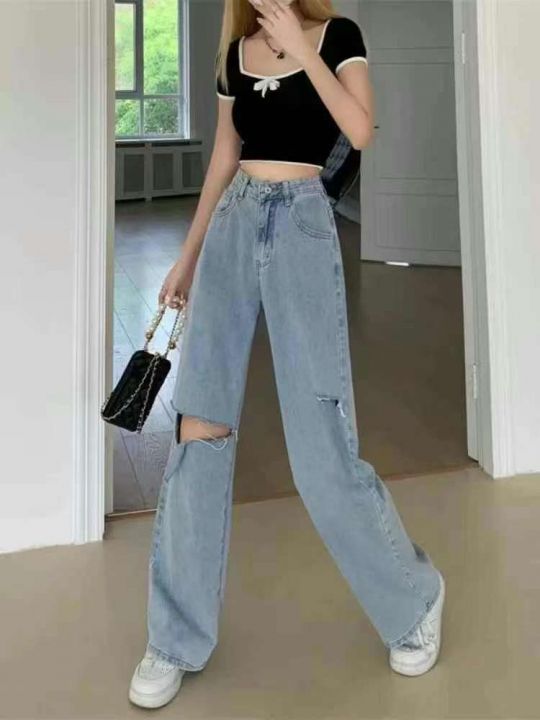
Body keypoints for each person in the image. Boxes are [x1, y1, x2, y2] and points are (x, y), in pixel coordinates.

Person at [128, 0, 445, 709]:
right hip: (235, 225)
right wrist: (188, 256)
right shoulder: (232, 53)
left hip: (302, 223)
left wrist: (301, 53)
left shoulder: (338, 36)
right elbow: (224, 156)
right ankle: (173, 638)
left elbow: (360, 130)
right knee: (199, 431)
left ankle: (414, 599)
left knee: (321, 443)